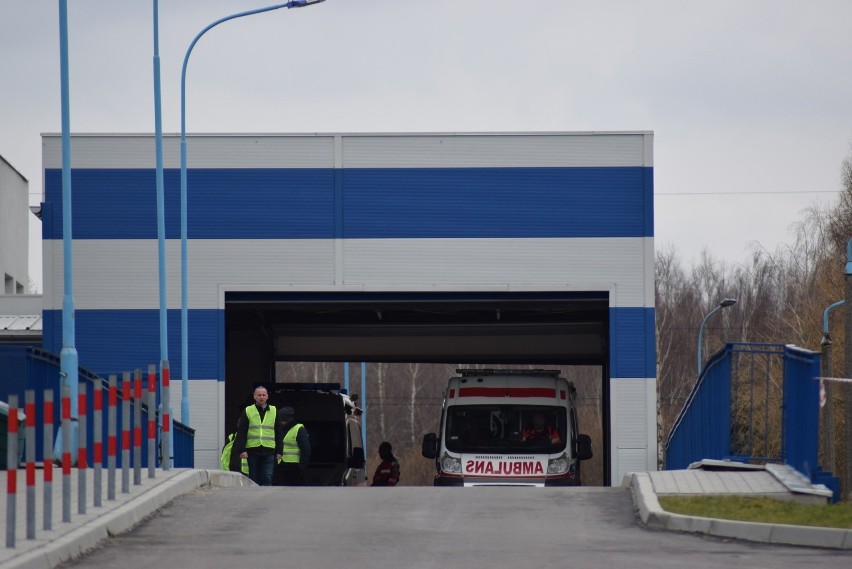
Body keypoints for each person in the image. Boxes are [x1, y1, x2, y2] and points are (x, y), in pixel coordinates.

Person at [233, 385, 283, 486]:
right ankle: (255, 496)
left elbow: (278, 432)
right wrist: (242, 449)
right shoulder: (248, 410)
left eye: (263, 395)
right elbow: (242, 431)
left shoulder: (274, 411)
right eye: (259, 395)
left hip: (269, 450)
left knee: (267, 475)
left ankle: (266, 498)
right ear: (254, 396)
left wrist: (279, 450)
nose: (261, 397)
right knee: (254, 477)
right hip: (253, 450)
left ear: (267, 396)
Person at [275, 406, 311, 486]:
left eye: (281, 419)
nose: (280, 422)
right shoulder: (280, 429)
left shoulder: (299, 429)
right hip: (281, 466)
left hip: (295, 467)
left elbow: (306, 450)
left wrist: (301, 467)